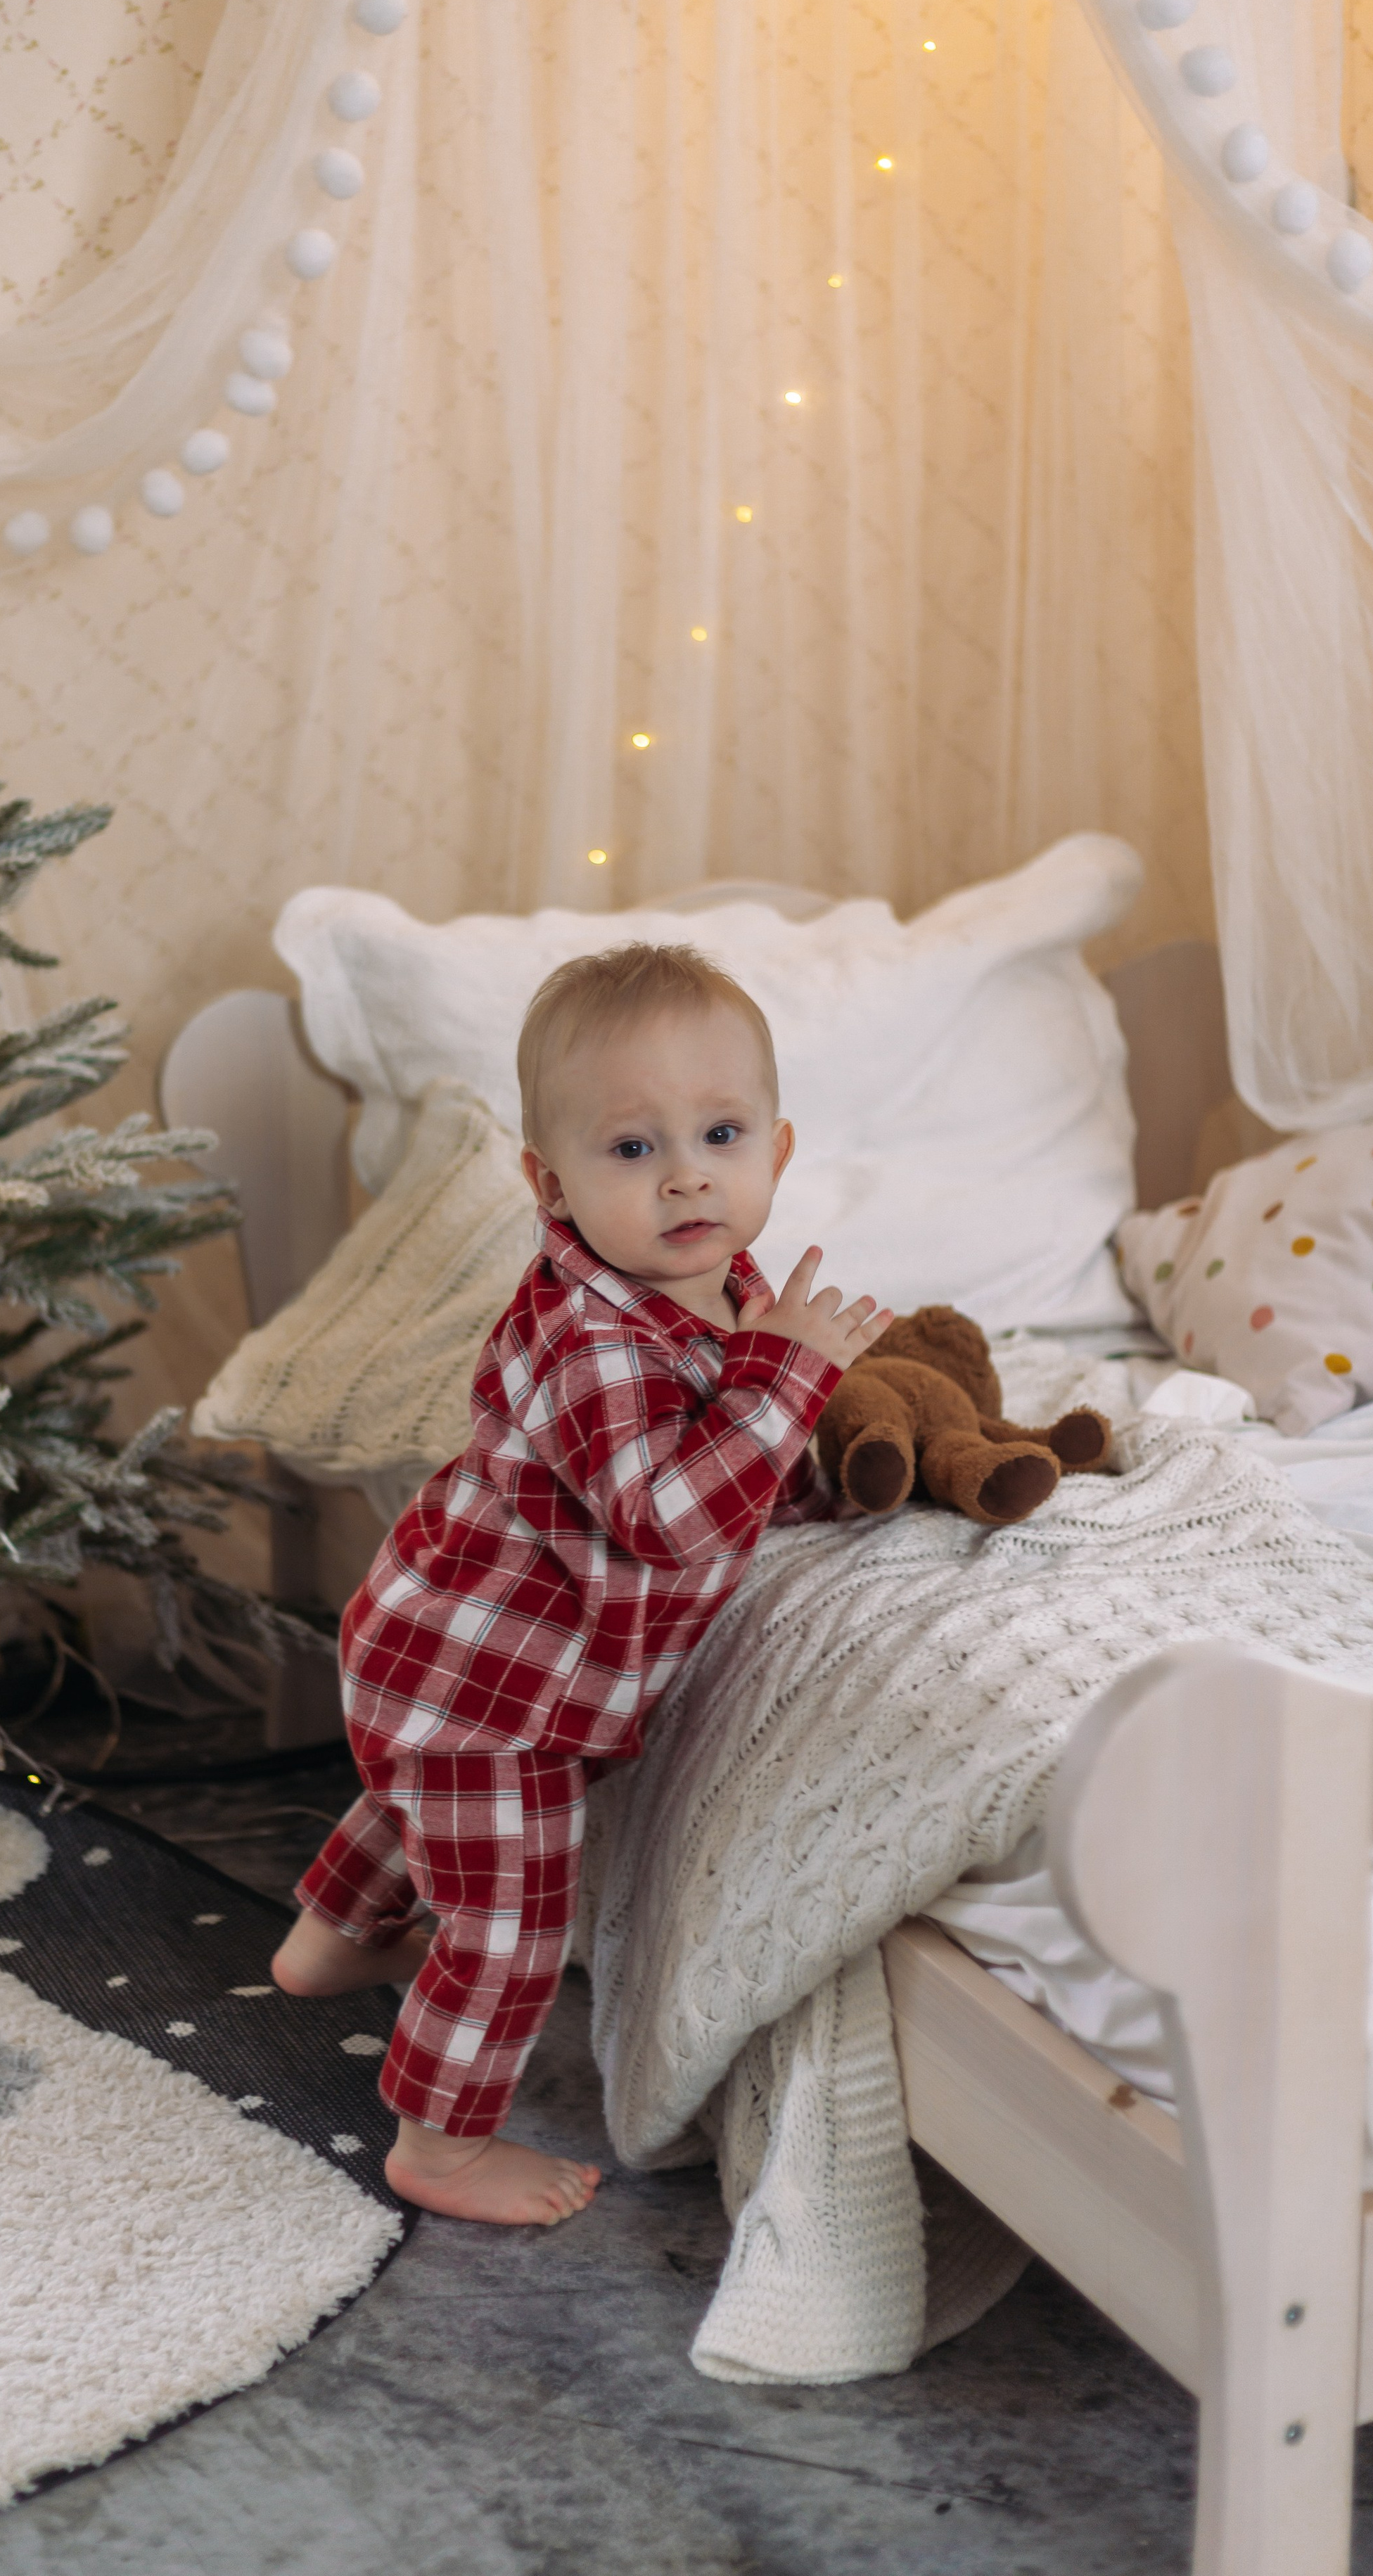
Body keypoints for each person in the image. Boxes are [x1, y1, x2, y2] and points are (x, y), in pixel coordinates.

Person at [272, 942, 891, 2224]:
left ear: (776, 1151)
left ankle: (325, 1944)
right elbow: (666, 1513)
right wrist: (797, 1380)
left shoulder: (723, 1288)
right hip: (483, 1677)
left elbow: (738, 1459)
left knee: (418, 1801)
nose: (684, 1178)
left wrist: (816, 1475)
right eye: (631, 1150)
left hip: (464, 1660)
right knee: (506, 1923)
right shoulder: (595, 1333)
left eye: (719, 1134)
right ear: (547, 1183)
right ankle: (437, 2146)